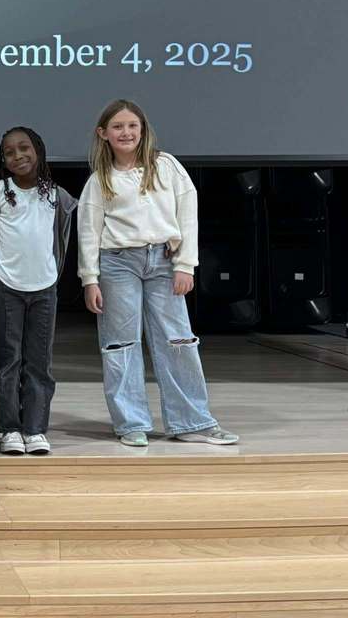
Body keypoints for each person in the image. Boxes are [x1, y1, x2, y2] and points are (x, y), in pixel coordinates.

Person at [77, 99, 238, 447]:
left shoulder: (166, 166)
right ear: (103, 134)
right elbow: (89, 230)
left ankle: (192, 421)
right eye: (117, 127)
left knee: (178, 340)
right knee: (120, 345)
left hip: (165, 261)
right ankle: (131, 423)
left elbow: (188, 215)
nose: (126, 132)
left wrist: (185, 265)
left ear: (143, 130)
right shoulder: (101, 179)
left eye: (132, 125)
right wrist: (89, 278)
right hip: (117, 263)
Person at [0, 126, 76, 456]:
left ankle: (35, 428)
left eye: (24, 148)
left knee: (39, 362)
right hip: (7, 288)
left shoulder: (56, 196)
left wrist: (52, 277)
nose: (18, 155)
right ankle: (10, 429)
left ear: (38, 150)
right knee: (8, 360)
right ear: (3, 160)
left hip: (44, 290)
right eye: (9, 152)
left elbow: (61, 241)